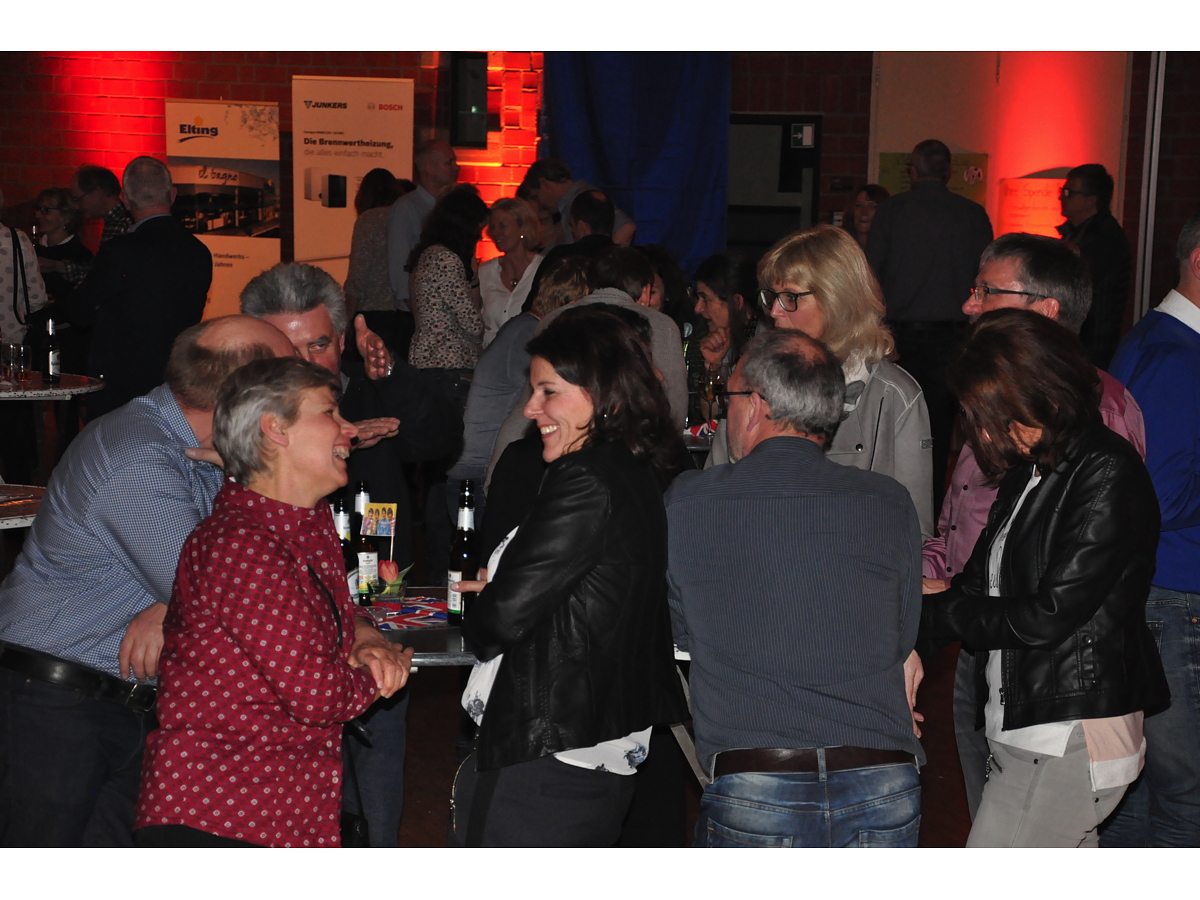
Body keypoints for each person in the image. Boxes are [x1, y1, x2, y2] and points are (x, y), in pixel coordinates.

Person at [0, 315, 295, 846]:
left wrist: (167, 604)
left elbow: (206, 580)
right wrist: (267, 484)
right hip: (56, 701)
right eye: (290, 377)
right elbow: (235, 600)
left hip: (114, 700)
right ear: (246, 392)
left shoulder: (198, 446)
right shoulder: (139, 453)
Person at [132, 357, 412, 847]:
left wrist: (363, 634)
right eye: (329, 413)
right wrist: (384, 675)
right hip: (220, 814)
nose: (349, 430)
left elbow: (328, 615)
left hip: (277, 809)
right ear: (275, 429)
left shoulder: (305, 523)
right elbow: (318, 694)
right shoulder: (242, 545)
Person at [668, 328, 925, 847]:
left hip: (757, 779)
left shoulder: (692, 501)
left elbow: (682, 637)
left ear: (756, 405)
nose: (725, 412)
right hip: (882, 778)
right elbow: (900, 640)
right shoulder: (888, 501)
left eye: (729, 397)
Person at [921, 308, 1168, 848]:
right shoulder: (1031, 471)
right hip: (1031, 730)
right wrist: (916, 619)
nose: (983, 432)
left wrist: (935, 612)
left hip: (1069, 734)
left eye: (992, 414)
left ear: (1039, 394)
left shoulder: (1105, 470)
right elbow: (977, 584)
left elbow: (1047, 615)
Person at [449, 307, 687, 846]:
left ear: (605, 394)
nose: (530, 408)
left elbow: (499, 620)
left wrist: (488, 602)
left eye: (549, 391)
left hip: (548, 748)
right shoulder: (635, 469)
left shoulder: (584, 477)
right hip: (596, 742)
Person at [240, 261, 458, 847]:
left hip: (376, 602)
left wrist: (392, 375)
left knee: (379, 758)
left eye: (317, 345)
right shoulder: (241, 416)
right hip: (283, 624)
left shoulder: (370, 390)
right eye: (285, 348)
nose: (304, 363)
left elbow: (440, 436)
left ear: (341, 340)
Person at [710, 224, 935, 539]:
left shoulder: (894, 396)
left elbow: (915, 530)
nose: (774, 311)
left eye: (790, 297)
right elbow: (712, 492)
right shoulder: (752, 378)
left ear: (837, 299)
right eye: (772, 296)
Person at [1103, 209, 1200, 847]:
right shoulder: (1175, 356)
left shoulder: (1158, 341)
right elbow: (1158, 494)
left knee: (1138, 789)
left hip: (1156, 590)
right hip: (1173, 594)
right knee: (1185, 795)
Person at [486, 245, 689, 485]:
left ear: (588, 287)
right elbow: (674, 410)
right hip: (627, 455)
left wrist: (496, 475)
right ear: (645, 292)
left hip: (543, 446)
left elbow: (528, 405)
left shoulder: (554, 318)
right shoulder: (660, 325)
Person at [866, 139, 994, 504]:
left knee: (891, 428)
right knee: (940, 433)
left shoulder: (892, 211)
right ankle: (934, 508)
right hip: (954, 339)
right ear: (948, 172)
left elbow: (870, 276)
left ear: (913, 170)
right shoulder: (972, 214)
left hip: (899, 339)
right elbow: (986, 279)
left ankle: (890, 505)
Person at [67, 156, 213, 420]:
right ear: (172, 195)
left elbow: (80, 311)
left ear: (125, 199)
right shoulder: (199, 252)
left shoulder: (119, 252)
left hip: (121, 387)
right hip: (176, 383)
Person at [449, 256, 589, 523]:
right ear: (574, 303)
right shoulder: (530, 335)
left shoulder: (523, 327)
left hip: (475, 470)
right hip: (477, 474)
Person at [406, 183, 488, 414]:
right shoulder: (446, 260)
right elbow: (472, 324)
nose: (480, 236)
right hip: (448, 364)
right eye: (478, 229)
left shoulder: (430, 254)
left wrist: (472, 275)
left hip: (432, 363)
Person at [387, 139, 460, 357]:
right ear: (429, 167)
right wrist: (421, 315)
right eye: (449, 162)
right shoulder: (406, 208)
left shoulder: (452, 206)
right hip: (416, 317)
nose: (457, 168)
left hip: (449, 314)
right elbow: (399, 267)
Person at [1057, 164, 1132, 370]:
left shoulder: (1105, 239)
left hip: (1092, 351)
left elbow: (1074, 282)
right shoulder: (1080, 233)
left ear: (1091, 200)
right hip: (1081, 345)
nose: (1061, 197)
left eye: (1069, 192)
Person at [344, 167, 408, 354]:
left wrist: (346, 316)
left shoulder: (369, 220)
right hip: (404, 311)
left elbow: (359, 273)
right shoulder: (405, 217)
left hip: (373, 313)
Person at [522, 189, 616, 311]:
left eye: (571, 226)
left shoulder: (561, 257)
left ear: (581, 227)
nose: (572, 232)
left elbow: (533, 306)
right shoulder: (629, 259)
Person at [523, 157, 635, 246]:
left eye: (536, 196)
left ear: (544, 184)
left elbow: (627, 227)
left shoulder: (583, 197)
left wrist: (600, 259)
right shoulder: (570, 202)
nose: (540, 203)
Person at [478, 197, 543, 347]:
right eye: (493, 227)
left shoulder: (542, 269)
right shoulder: (485, 271)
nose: (497, 233)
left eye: (503, 226)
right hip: (489, 356)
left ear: (523, 228)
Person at [32, 186, 93, 306]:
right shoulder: (31, 249)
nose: (38, 215)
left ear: (66, 218)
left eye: (45, 210)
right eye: (38, 209)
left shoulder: (81, 255)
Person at [69, 164, 132, 245]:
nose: (76, 206)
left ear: (98, 192)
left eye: (79, 199)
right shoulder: (114, 222)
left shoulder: (127, 224)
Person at [844, 183, 890, 249]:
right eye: (859, 205)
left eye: (872, 206)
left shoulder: (893, 248)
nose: (864, 212)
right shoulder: (840, 246)